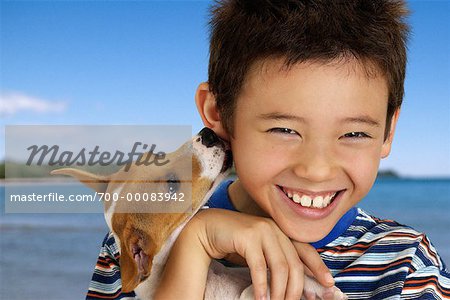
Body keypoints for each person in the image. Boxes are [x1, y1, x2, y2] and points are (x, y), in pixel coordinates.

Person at [87, 1, 450, 299]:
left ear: (388, 131)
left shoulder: (404, 266)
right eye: (284, 129)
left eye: (354, 133)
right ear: (218, 113)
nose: (317, 169)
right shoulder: (138, 236)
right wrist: (195, 243)